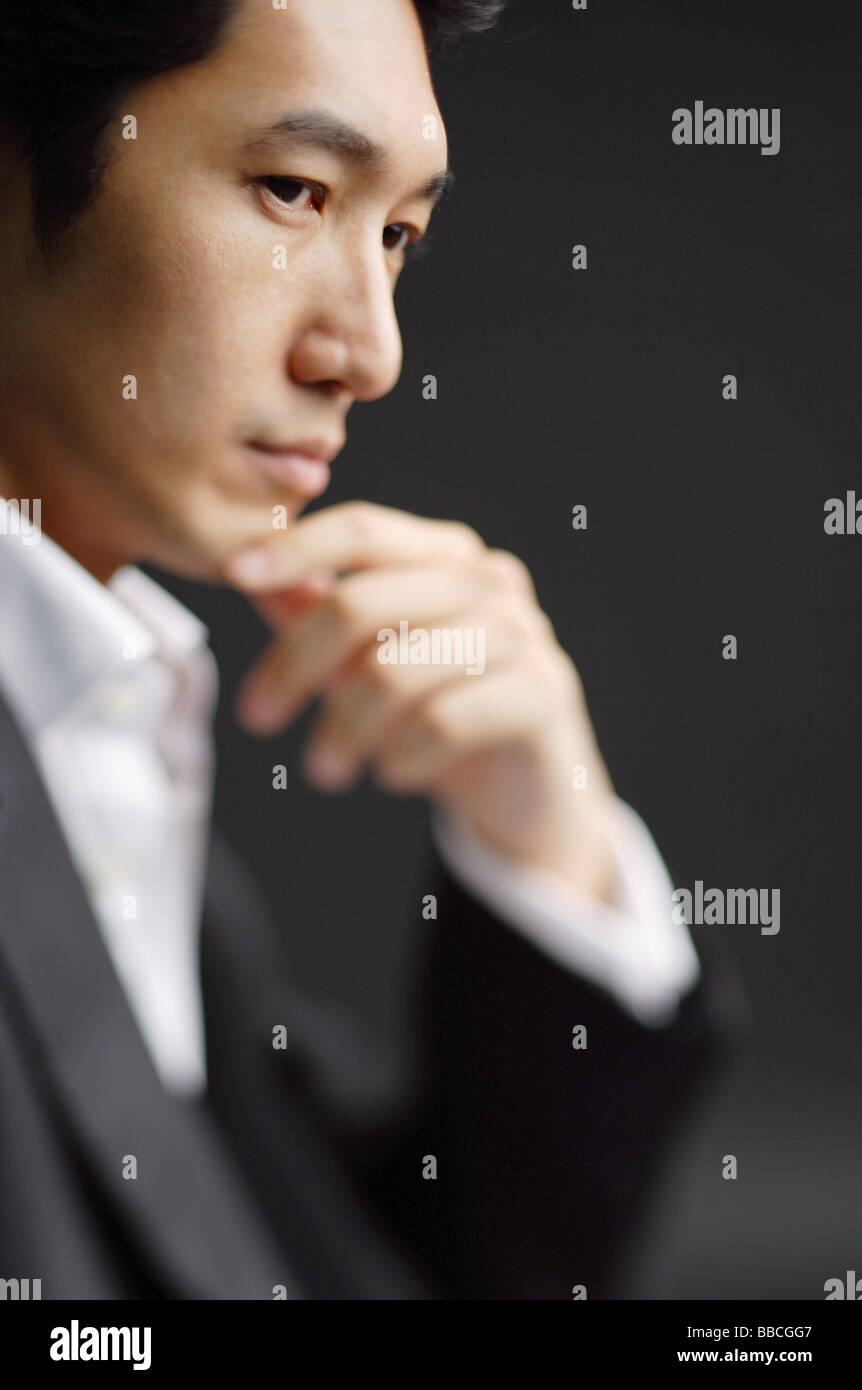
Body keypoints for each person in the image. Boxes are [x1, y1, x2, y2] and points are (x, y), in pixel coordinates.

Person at [0, 0, 739, 1299]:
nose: (373, 352)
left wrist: (541, 833)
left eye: (396, 234)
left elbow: (357, 1257)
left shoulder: (94, 720)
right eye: (292, 191)